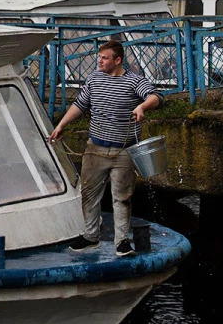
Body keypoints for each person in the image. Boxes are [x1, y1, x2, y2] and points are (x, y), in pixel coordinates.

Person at [48, 40, 162, 257]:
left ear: (118, 60)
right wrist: (61, 125)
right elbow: (80, 105)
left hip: (124, 150)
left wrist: (142, 106)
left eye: (104, 58)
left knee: (122, 197)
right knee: (89, 194)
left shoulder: (134, 81)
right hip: (96, 148)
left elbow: (156, 97)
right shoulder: (94, 79)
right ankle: (91, 237)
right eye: (99, 57)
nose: (99, 61)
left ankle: (122, 242)